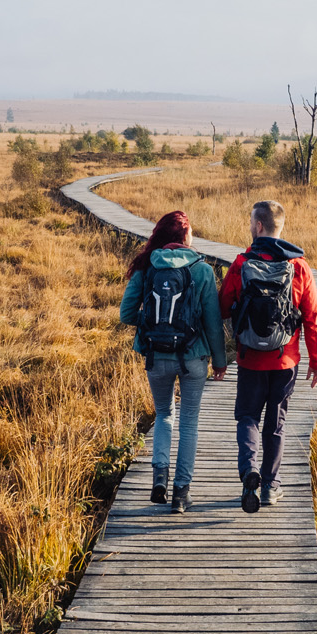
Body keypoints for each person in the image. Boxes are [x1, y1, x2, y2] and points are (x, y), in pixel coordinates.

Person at [220, 199, 317, 513]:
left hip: (250, 359)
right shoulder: (299, 267)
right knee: (275, 425)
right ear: (282, 228)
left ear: (259, 227)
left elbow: (222, 306)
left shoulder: (241, 263)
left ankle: (248, 468)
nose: (250, 226)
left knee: (247, 417)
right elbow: (312, 316)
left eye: (252, 222)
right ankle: (269, 486)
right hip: (285, 361)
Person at [120, 211, 227, 513]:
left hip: (157, 357)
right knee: (189, 422)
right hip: (194, 359)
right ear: (184, 236)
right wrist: (219, 361)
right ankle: (181, 493)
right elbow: (213, 323)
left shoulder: (147, 266)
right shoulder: (202, 270)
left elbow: (126, 314)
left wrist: (153, 327)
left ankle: (159, 478)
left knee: (165, 414)